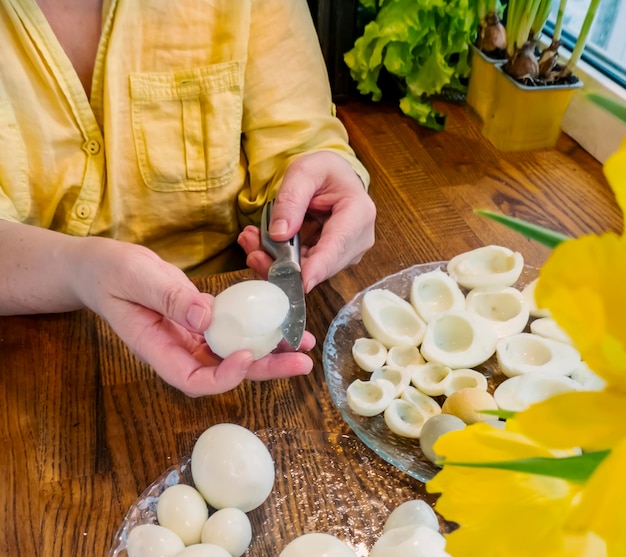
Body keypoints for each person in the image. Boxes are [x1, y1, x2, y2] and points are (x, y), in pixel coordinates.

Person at [0, 0, 376, 397]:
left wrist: (324, 182)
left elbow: (297, 140)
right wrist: (77, 270)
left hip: (216, 304)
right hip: (33, 342)